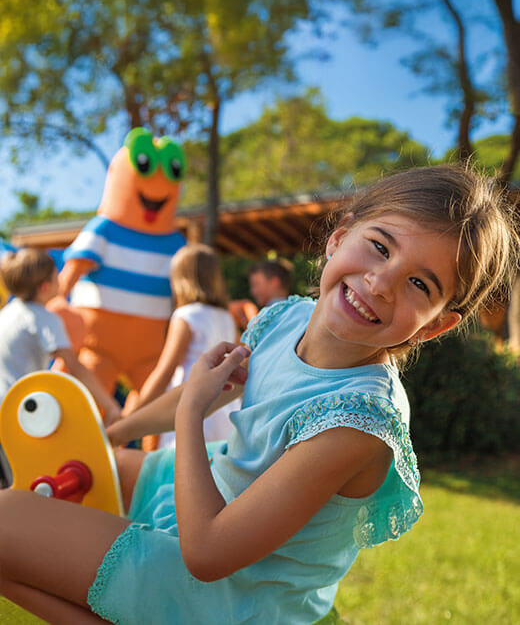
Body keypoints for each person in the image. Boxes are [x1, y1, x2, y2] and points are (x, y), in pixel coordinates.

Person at [0, 164, 518, 625]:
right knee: (74, 470)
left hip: (236, 591)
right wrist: (117, 431)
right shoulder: (284, 317)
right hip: (213, 494)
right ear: (338, 239)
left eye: (420, 285)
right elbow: (212, 387)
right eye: (380, 246)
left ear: (434, 327)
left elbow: (207, 555)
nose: (382, 283)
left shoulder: (359, 424)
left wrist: (190, 413)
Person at [127, 244, 238, 445]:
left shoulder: (185, 316)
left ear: (180, 279)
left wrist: (133, 415)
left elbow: (165, 370)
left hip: (192, 405)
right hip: (222, 408)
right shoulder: (226, 316)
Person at [0, 248, 121, 424]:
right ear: (45, 286)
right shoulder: (44, 318)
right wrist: (110, 406)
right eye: (57, 276)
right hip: (17, 411)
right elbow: (75, 366)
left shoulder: (7, 314)